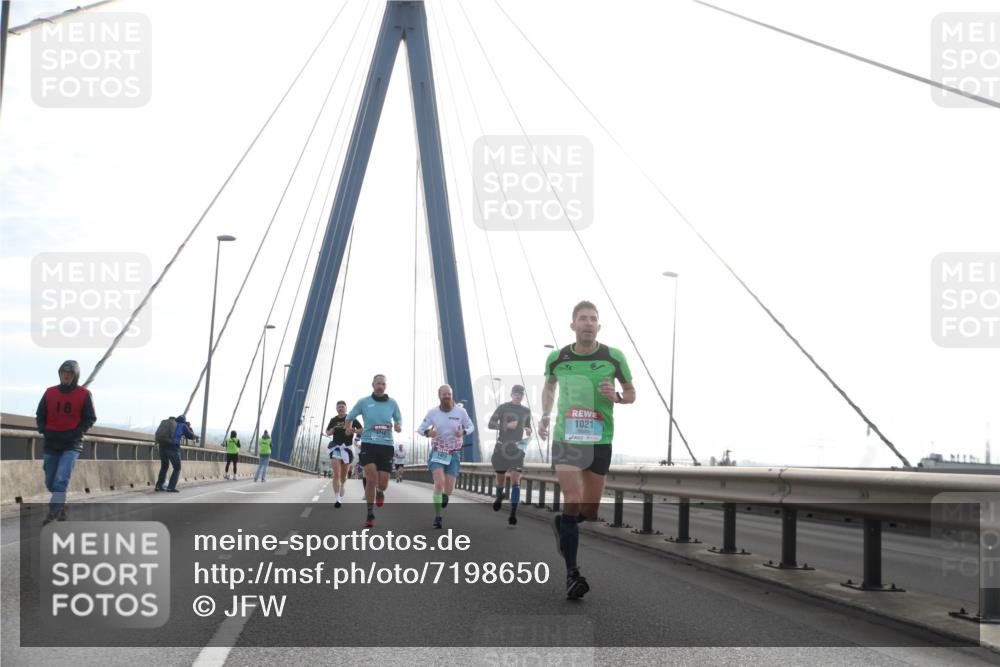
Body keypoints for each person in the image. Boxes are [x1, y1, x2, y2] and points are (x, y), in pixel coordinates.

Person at [539, 301, 635, 600]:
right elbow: (549, 387)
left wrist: (617, 397)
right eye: (582, 318)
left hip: (599, 440)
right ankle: (572, 574)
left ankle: (564, 523)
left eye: (593, 319)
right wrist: (545, 416)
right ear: (573, 325)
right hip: (566, 438)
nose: (588, 323)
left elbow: (632, 393)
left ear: (599, 326)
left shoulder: (613, 356)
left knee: (588, 511)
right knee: (573, 498)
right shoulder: (557, 357)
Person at [35, 360, 96, 524]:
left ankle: (53, 513)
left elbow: (90, 418)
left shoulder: (84, 394)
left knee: (61, 479)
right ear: (59, 374)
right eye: (63, 373)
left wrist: (78, 432)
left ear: (75, 375)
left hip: (71, 444)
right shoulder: (50, 392)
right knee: (50, 481)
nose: (66, 376)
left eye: (69, 373)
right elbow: (40, 413)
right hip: (51, 442)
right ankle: (61, 506)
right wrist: (43, 429)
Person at [346, 374, 403, 527]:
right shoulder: (363, 402)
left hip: (386, 445)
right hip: (369, 443)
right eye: (378, 383)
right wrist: (348, 428)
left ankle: (380, 491)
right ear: (373, 385)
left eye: (383, 384)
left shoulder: (392, 403)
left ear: (386, 386)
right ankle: (370, 514)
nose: (380, 386)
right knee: (371, 479)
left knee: (383, 484)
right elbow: (350, 416)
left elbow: (398, 418)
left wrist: (398, 425)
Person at [418, 384, 475, 529]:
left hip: (454, 453)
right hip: (438, 451)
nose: (447, 396)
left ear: (452, 395)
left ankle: (444, 495)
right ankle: (438, 517)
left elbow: (471, 427)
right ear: (439, 396)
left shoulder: (461, 412)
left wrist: (463, 432)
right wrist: (428, 433)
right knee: (439, 483)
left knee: (449, 490)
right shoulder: (433, 413)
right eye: (444, 394)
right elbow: (420, 429)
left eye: (449, 394)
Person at [488, 384, 533, 525]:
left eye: (521, 394)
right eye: (516, 393)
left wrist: (528, 430)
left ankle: (513, 513)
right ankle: (499, 496)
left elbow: (528, 426)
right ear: (511, 394)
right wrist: (506, 426)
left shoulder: (526, 411)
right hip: (501, 448)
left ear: (523, 396)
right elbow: (490, 424)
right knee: (500, 480)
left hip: (517, 449)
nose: (518, 396)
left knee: (515, 480)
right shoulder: (503, 407)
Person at [325, 401, 361, 507]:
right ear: (336, 408)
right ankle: (337, 499)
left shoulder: (351, 418)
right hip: (336, 447)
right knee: (336, 473)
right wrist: (332, 430)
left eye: (342, 407)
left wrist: (354, 431)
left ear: (346, 408)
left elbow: (361, 429)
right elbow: (327, 432)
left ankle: (343, 485)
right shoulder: (333, 420)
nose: (340, 408)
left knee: (343, 476)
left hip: (347, 448)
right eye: (339, 407)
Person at [156, 414, 195, 492]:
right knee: (177, 468)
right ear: (184, 421)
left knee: (164, 466)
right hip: (172, 448)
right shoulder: (182, 425)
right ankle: (171, 487)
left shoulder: (169, 423)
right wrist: (189, 428)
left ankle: (159, 486)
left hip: (162, 446)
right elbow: (191, 436)